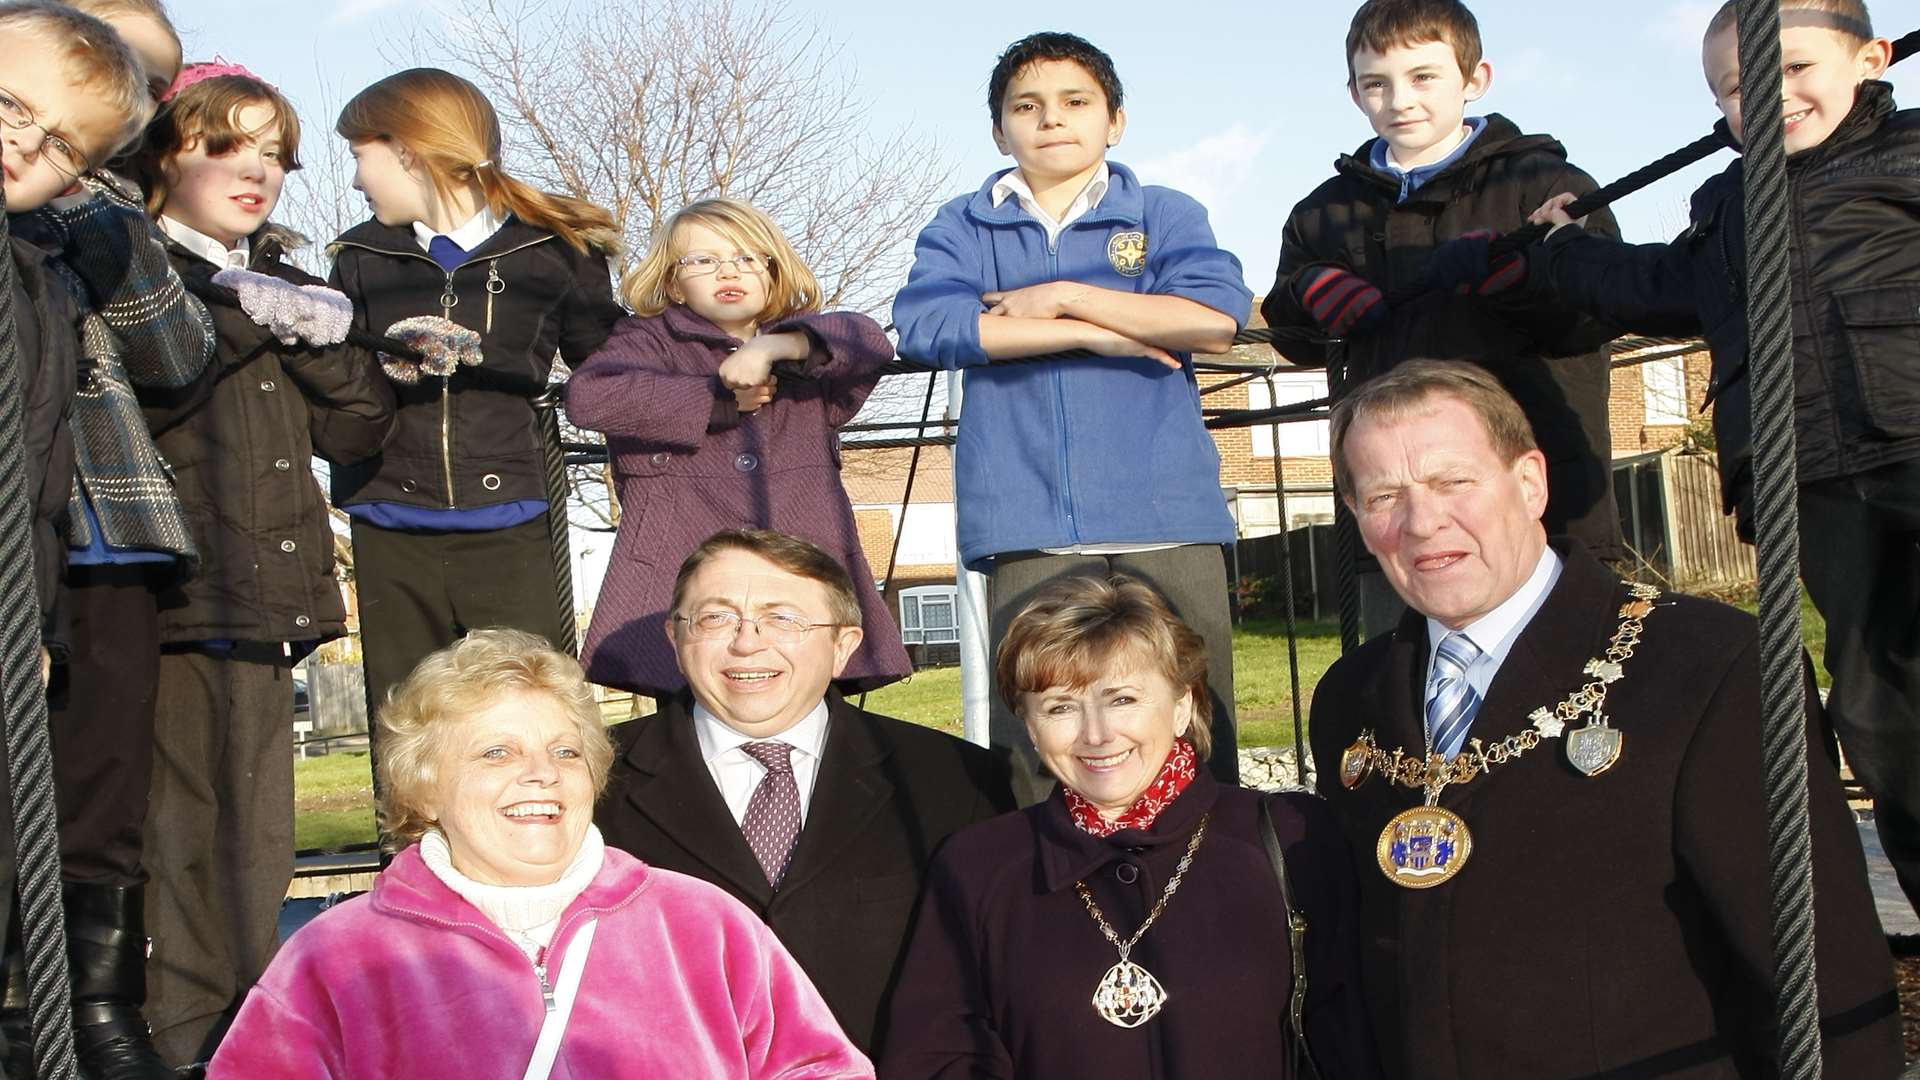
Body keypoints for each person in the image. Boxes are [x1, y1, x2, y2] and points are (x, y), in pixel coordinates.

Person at [1308, 359, 1902, 1077]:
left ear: (1529, 483)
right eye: (1383, 495)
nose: (1421, 521)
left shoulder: (1705, 666)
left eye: (1452, 481)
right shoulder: (1353, 695)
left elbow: (1819, 970)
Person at [1505, 0, 1920, 922]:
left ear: (1872, 59)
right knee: (1877, 708)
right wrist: (1564, 247)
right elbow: (1657, 288)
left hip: (1913, 443)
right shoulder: (1727, 202)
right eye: (1738, 88)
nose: (1770, 98)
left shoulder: (1908, 155)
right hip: (1805, 472)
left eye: (1797, 69)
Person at [208, 628, 873, 1079]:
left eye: (564, 751)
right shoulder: (336, 958)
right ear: (426, 787)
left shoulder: (701, 924)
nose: (541, 773)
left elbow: (821, 1067)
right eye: (497, 751)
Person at [892, 32, 1252, 803]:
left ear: (1114, 121)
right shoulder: (963, 224)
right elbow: (931, 327)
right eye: (1028, 107)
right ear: (999, 131)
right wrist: (1094, 332)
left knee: (1197, 718)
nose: (1051, 120)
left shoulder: (1164, 213)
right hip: (1027, 525)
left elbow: (1210, 317)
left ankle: (1215, 893)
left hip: (1169, 516)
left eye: (1075, 102)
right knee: (1039, 728)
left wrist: (1064, 295)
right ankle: (1046, 907)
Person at [123, 63, 396, 1069]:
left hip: (267, 592)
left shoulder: (278, 280)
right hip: (173, 592)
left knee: (256, 836)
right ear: (164, 153)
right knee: (187, 835)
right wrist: (247, 310)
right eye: (225, 146)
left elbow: (360, 418)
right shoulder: (135, 266)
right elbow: (161, 382)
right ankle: (196, 1040)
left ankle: (243, 1035)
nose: (258, 172)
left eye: (275, 154)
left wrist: (306, 324)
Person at [881, 573, 1380, 1079]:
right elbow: (937, 1058)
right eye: (1060, 707)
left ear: (1182, 704)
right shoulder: (976, 868)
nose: (1097, 734)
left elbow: (1350, 1037)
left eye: (1122, 699)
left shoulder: (1291, 839)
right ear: (1030, 728)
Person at [1261, 0, 1623, 638]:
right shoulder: (1321, 213)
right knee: (1402, 695)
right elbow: (1295, 341)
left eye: (1424, 76)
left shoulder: (1544, 183)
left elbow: (1600, 311)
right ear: (1354, 93)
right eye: (1377, 82)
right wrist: (1305, 295)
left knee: (1565, 700)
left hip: (1545, 509)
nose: (1400, 98)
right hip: (1399, 522)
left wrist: (1527, 284)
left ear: (1475, 79)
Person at [596, 529, 1014, 1054]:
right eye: (715, 618)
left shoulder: (954, 780)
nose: (747, 641)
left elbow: (995, 980)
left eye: (782, 618)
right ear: (676, 641)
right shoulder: (589, 785)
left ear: (844, 647)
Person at [327, 68, 625, 735]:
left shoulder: (553, 252)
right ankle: (407, 847)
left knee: (529, 715)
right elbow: (340, 386)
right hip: (387, 520)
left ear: (408, 150)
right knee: (405, 729)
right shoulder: (358, 257)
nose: (355, 180)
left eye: (360, 157)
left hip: (511, 519)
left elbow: (611, 364)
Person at [0, 4, 186, 1077]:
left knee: (89, 793)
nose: (26, 140)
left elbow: (30, 466)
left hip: (80, 541)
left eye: (61, 139)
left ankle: (89, 1011)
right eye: (12, 106)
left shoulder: (66, 248)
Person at [564, 198, 909, 698]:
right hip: (674, 565)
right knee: (688, 718)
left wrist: (775, 348)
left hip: (801, 561)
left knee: (818, 708)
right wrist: (714, 396)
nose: (729, 270)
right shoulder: (646, 341)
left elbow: (868, 339)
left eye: (748, 258)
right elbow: (590, 396)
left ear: (773, 271)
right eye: (702, 260)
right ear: (672, 280)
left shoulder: (806, 344)